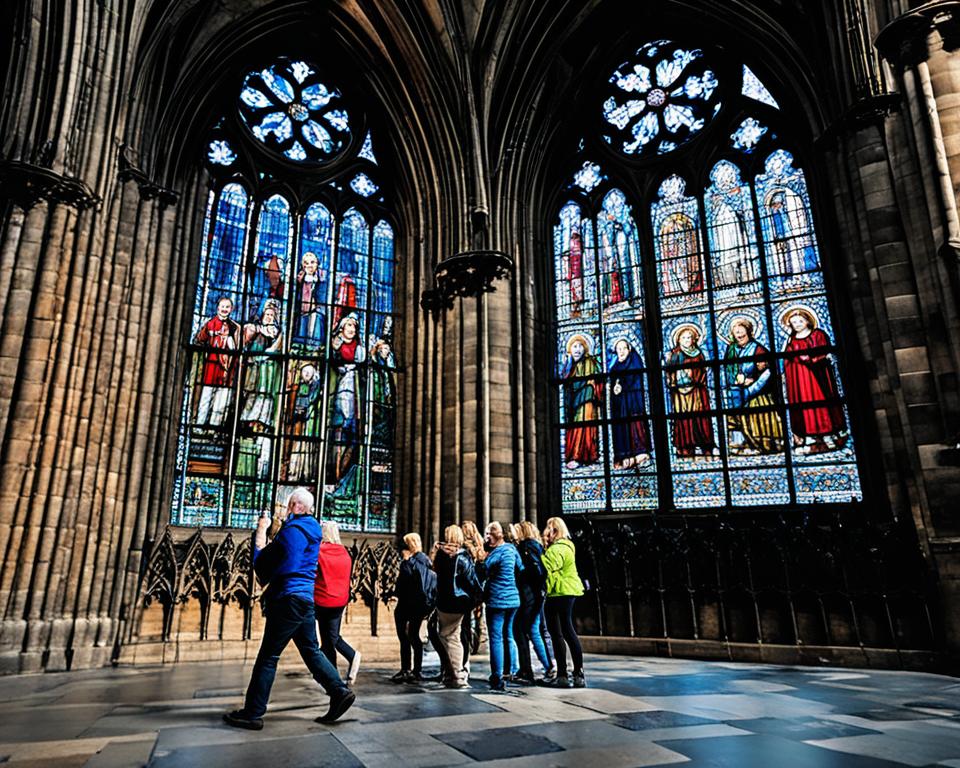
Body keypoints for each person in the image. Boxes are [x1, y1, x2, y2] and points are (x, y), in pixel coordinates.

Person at [223, 488, 354, 730]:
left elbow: (264, 565)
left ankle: (252, 713)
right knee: (311, 649)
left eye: (287, 505)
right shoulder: (314, 528)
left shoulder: (292, 532)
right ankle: (339, 691)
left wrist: (261, 531)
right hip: (305, 599)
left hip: (288, 598)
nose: (283, 510)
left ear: (296, 506)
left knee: (268, 656)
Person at [782, 307, 847, 453]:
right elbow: (787, 359)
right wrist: (797, 360)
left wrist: (813, 359)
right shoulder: (791, 341)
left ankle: (829, 435)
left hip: (818, 379)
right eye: (793, 322)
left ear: (808, 321)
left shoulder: (818, 335)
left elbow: (825, 352)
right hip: (801, 382)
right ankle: (810, 437)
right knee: (806, 409)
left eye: (800, 321)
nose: (797, 324)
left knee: (823, 405)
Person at [723, 318, 784, 455]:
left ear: (749, 332)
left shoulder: (758, 349)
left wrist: (752, 383)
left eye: (742, 333)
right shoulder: (731, 349)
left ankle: (763, 444)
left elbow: (769, 371)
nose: (739, 336)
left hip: (759, 391)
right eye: (736, 333)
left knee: (757, 411)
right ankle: (742, 443)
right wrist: (735, 380)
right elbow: (727, 370)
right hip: (735, 390)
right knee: (734, 413)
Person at [430, 525, 481, 688]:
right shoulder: (462, 557)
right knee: (453, 637)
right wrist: (478, 598)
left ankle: (449, 673)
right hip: (459, 602)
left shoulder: (439, 555)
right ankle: (458, 674)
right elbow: (472, 580)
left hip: (442, 602)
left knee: (446, 636)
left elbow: (434, 571)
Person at [476, 522, 523, 690]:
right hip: (513, 599)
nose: (486, 536)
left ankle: (497, 675)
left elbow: (483, 570)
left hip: (497, 600)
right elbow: (520, 568)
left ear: (498, 535)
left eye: (489, 533)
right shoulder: (512, 550)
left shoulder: (496, 554)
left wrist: (482, 560)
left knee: (496, 638)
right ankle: (512, 670)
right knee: (508, 635)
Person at [314, 521, 361, 685]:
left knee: (328, 640)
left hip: (322, 601)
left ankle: (345, 662)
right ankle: (332, 678)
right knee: (330, 639)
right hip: (339, 602)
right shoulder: (344, 553)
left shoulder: (319, 552)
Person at [542, 516, 585, 689]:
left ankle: (562, 675)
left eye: (548, 529)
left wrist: (541, 551)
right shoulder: (568, 546)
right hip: (569, 591)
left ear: (554, 531)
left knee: (557, 633)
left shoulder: (557, 549)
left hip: (559, 592)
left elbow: (546, 567)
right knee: (568, 631)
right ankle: (578, 673)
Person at [664, 325, 716, 457]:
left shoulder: (698, 354)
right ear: (678, 340)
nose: (687, 340)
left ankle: (706, 446)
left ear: (694, 340)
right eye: (683, 337)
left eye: (689, 337)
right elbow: (669, 372)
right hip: (680, 393)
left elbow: (703, 371)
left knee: (700, 417)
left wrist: (692, 374)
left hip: (697, 391)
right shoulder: (674, 355)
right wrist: (674, 376)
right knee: (683, 419)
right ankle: (685, 446)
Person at [514, 521, 554, 683]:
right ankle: (548, 666)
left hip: (530, 594)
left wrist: (521, 575)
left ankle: (526, 670)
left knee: (520, 630)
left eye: (516, 531)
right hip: (536, 593)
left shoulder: (526, 546)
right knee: (533, 630)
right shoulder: (535, 545)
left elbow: (536, 571)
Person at [392, 533, 434, 683]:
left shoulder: (407, 563)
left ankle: (405, 670)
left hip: (406, 605)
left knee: (404, 638)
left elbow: (402, 585)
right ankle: (417, 671)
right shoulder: (427, 560)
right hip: (420, 606)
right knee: (415, 638)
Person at [194, 296, 240, 426]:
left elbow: (238, 346)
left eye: (227, 307)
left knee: (222, 399)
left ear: (231, 309)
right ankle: (199, 424)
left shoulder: (234, 327)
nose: (224, 309)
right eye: (222, 306)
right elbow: (200, 339)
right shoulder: (210, 324)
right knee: (207, 395)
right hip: (212, 365)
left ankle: (215, 427)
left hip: (228, 369)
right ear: (217, 308)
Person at [560, 334, 603, 469]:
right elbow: (566, 383)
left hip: (588, 400)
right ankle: (575, 455)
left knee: (586, 426)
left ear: (585, 349)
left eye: (580, 346)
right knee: (575, 427)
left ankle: (586, 456)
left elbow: (598, 377)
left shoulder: (590, 362)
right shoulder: (570, 366)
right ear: (569, 350)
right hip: (575, 403)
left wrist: (592, 384)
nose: (577, 349)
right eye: (574, 346)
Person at [609, 338, 652, 468]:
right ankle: (625, 455)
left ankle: (641, 454)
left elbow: (634, 380)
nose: (621, 351)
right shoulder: (615, 367)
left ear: (629, 349)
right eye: (618, 349)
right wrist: (615, 389)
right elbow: (614, 384)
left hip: (634, 402)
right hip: (620, 406)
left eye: (623, 348)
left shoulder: (635, 361)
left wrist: (623, 386)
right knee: (622, 426)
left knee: (636, 425)